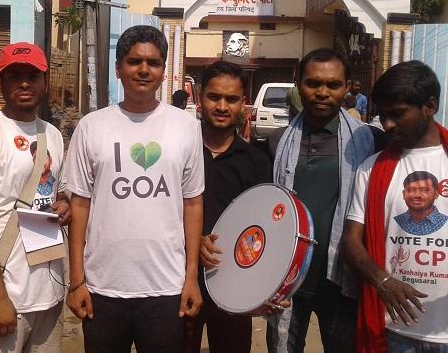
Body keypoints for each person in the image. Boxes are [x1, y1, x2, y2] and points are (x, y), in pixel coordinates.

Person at [65, 25, 204, 353]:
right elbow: (80, 206)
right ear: (118, 68)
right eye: (133, 61)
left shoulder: (186, 127)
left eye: (153, 63)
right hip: (102, 288)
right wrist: (76, 280)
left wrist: (191, 277)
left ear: (163, 70)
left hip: (165, 288)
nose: (143, 70)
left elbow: (193, 204)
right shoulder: (92, 127)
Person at [267, 48, 385, 353]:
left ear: (347, 87)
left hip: (341, 282)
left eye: (333, 85)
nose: (322, 92)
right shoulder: (277, 141)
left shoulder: (370, 141)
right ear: (298, 83)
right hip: (287, 280)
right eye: (313, 83)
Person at [0, 41, 71, 353]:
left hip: (50, 290)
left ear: (44, 81)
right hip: (9, 294)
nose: (24, 82)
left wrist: (63, 204)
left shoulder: (51, 134)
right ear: (1, 82)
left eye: (32, 75)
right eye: (14, 76)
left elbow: (57, 190)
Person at [343, 60, 448, 352]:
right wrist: (382, 281)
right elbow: (351, 241)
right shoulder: (371, 169)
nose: (387, 125)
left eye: (398, 114)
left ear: (430, 106)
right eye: (383, 115)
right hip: (393, 331)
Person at [183, 61, 272, 353]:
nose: (222, 106)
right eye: (214, 97)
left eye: (231, 99)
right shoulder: (180, 152)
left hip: (234, 282)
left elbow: (262, 228)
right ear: (200, 99)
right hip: (180, 280)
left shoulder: (256, 162)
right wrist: (194, 243)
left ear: (243, 105)